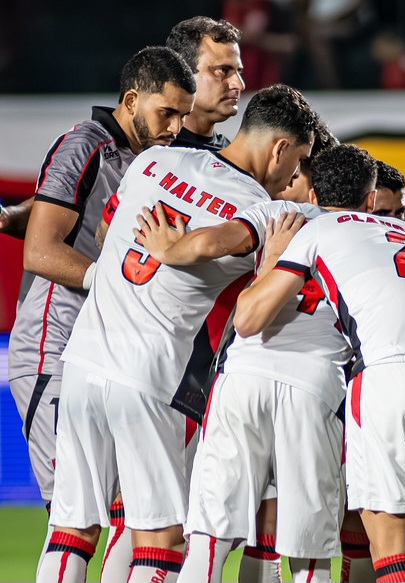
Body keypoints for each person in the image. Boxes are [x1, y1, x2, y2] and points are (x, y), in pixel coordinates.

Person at [37, 84, 317, 583]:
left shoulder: (153, 161)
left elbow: (104, 236)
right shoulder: (262, 206)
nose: (293, 174)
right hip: (151, 374)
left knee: (70, 528)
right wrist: (254, 259)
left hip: (84, 357)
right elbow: (214, 244)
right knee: (159, 536)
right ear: (280, 148)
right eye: (297, 161)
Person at [235, 143, 405, 583]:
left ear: (312, 196)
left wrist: (271, 261)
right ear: (372, 199)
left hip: (390, 372)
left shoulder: (317, 228)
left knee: (392, 547)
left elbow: (249, 319)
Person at [3, 45, 196, 581]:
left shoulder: (149, 163)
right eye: (167, 113)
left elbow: (53, 215)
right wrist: (115, 287)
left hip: (104, 355)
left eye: (183, 116)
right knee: (75, 519)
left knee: (119, 515)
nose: (176, 127)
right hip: (54, 344)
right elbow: (41, 252)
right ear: (132, 99)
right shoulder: (86, 144)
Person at [166, 16, 245, 151]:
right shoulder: (149, 150)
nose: (239, 84)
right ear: (181, 74)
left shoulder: (231, 156)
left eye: (239, 72)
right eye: (223, 70)